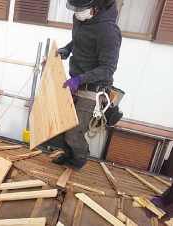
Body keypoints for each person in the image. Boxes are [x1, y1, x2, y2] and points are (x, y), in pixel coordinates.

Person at [51, 0, 122, 170]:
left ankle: (81, 157)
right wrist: (68, 49)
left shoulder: (109, 32)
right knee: (63, 124)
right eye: (76, 8)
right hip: (76, 83)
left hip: (94, 89)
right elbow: (79, 41)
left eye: (82, 9)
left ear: (96, 7)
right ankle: (68, 154)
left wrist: (80, 79)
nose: (78, 12)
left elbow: (108, 68)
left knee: (74, 133)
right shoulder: (81, 19)